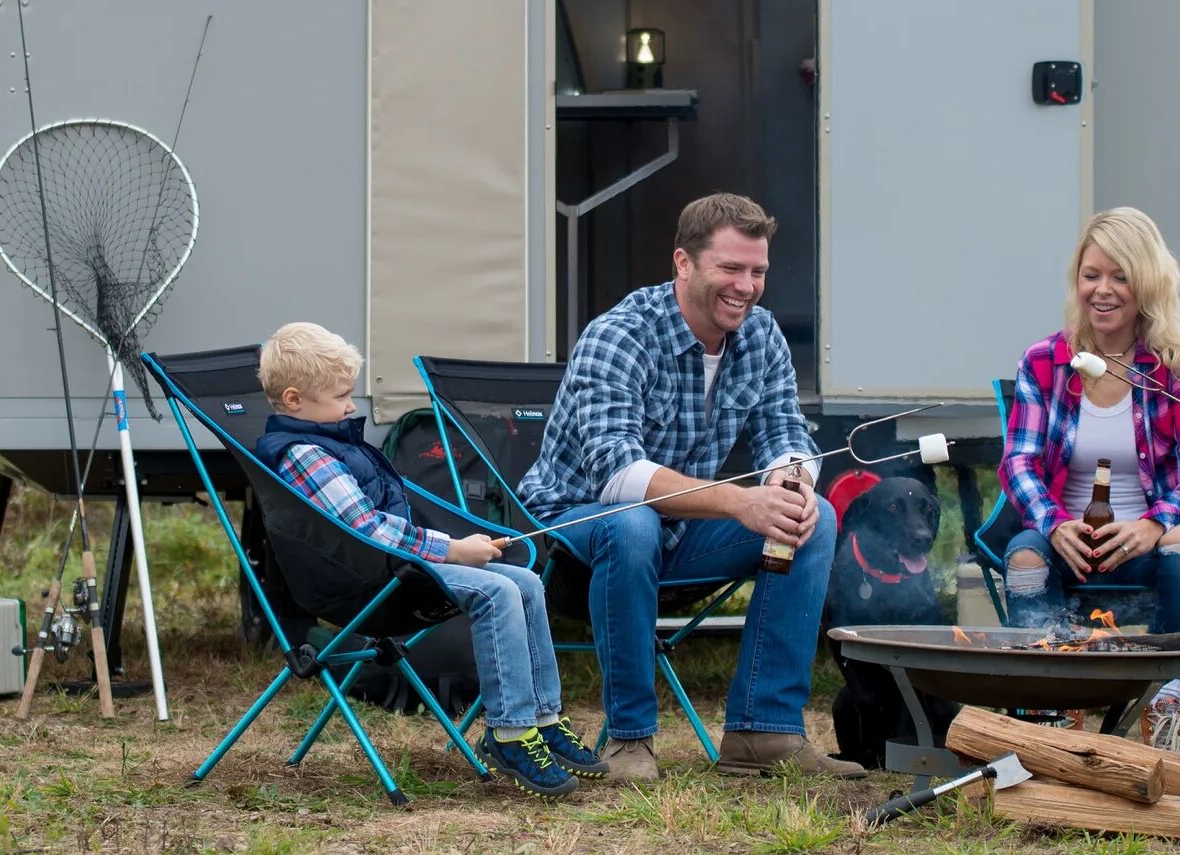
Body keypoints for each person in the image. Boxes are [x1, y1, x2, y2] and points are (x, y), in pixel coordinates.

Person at [516, 193, 864, 783]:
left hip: (675, 532)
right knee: (634, 521)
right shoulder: (621, 335)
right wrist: (741, 499)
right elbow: (618, 475)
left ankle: (764, 730)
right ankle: (629, 740)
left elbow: (787, 432)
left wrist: (791, 482)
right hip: (574, 532)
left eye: (758, 271)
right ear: (684, 263)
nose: (747, 287)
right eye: (730, 269)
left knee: (817, 517)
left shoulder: (761, 335)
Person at [253, 322, 602, 797]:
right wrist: (453, 549)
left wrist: (454, 545)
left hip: (393, 567)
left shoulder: (333, 443)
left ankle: (543, 718)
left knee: (525, 581)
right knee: (497, 591)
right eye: (340, 397)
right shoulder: (307, 454)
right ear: (294, 400)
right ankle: (510, 734)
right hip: (370, 583)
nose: (351, 406)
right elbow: (367, 530)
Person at [995, 207, 1180, 750]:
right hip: (1066, 540)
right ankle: (1050, 713)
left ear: (1145, 282)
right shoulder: (1044, 361)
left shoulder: (1175, 366)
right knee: (1025, 557)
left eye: (1119, 276)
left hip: (1146, 542)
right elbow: (1019, 462)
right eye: (1091, 275)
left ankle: (1165, 708)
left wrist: (1154, 523)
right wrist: (1054, 525)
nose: (1102, 290)